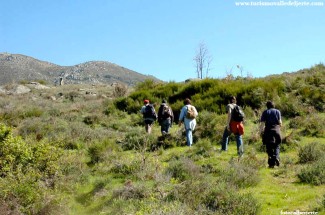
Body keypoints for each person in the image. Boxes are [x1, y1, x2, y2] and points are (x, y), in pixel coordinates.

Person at [260, 101, 282, 168]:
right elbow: (280, 122)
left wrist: (261, 132)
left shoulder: (265, 112)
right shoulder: (277, 111)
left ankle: (271, 163)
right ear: (274, 105)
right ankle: (276, 157)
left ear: (267, 106)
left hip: (268, 130)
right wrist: (278, 127)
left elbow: (262, 124)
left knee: (269, 146)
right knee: (277, 145)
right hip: (276, 130)